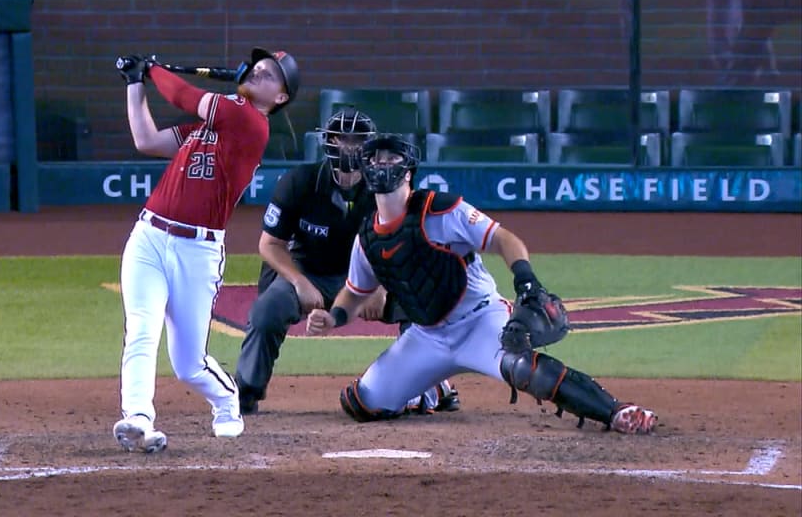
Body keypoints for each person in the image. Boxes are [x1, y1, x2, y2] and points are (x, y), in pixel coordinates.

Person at [305, 134, 658, 435]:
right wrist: (334, 318)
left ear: (408, 170)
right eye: (376, 158)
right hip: (426, 335)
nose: (382, 164)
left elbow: (503, 239)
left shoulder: (441, 209)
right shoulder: (366, 236)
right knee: (362, 403)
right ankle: (433, 390)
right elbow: (355, 292)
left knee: (524, 369)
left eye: (391, 158)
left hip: (480, 320)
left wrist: (526, 281)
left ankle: (615, 410)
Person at [113, 47, 300, 453]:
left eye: (269, 75)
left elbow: (182, 95)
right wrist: (134, 83)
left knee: (188, 363)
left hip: (197, 252)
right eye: (257, 68)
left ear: (280, 98)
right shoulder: (208, 126)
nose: (258, 72)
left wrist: (154, 69)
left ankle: (225, 398)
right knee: (142, 329)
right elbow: (146, 140)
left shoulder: (248, 121)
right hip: (148, 236)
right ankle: (138, 418)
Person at [235, 107, 459, 416]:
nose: (350, 147)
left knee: (420, 298)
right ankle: (246, 392)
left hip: (365, 274)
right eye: (342, 138)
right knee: (267, 309)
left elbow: (404, 245)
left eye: (357, 140)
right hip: (306, 271)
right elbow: (269, 244)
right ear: (329, 142)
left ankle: (429, 386)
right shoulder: (299, 181)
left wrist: (380, 286)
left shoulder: (388, 187)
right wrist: (299, 282)